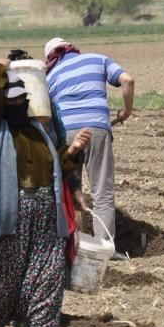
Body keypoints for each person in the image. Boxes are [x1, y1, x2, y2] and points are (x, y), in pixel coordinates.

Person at [0, 60, 91, 327]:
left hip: (47, 213)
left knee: (48, 279)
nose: (20, 104)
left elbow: (58, 166)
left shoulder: (39, 131)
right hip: (11, 215)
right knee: (1, 282)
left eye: (24, 99)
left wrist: (73, 150)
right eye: (13, 101)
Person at [44, 37, 134, 252]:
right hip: (97, 128)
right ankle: (104, 249)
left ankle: (74, 248)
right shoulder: (98, 59)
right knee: (102, 190)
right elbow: (128, 80)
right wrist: (127, 110)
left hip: (67, 133)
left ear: (51, 58)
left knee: (70, 188)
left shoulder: (50, 76)